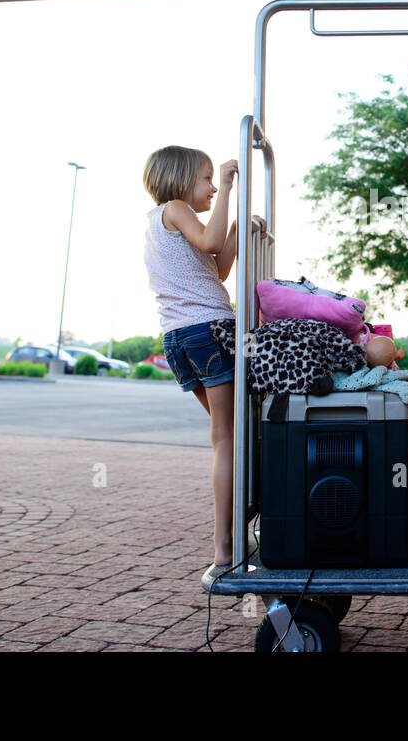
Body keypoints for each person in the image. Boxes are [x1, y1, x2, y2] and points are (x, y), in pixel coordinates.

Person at [142, 145, 243, 581]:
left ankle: (234, 533)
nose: (214, 186)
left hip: (180, 339)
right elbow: (211, 240)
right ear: (182, 179)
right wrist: (231, 190)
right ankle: (225, 545)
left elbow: (216, 268)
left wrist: (240, 228)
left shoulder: (162, 225)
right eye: (207, 178)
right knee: (228, 439)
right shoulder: (176, 208)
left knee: (233, 435)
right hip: (209, 333)